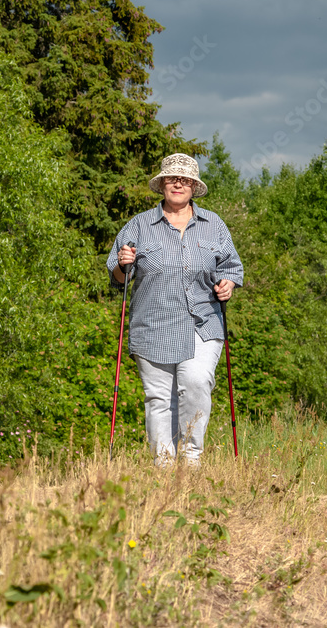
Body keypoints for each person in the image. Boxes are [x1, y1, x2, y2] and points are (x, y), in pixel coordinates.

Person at [106, 153, 244, 466]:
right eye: (172, 177)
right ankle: (163, 468)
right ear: (163, 184)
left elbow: (232, 267)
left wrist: (228, 285)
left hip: (203, 323)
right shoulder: (139, 226)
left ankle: (192, 459)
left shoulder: (214, 226)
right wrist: (123, 264)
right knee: (159, 398)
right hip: (152, 324)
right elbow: (117, 275)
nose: (178, 183)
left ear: (194, 186)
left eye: (185, 179)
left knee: (196, 383)